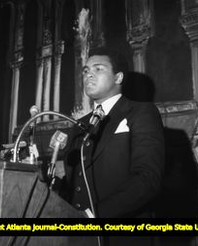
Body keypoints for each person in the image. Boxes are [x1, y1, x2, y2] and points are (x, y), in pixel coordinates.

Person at [63, 46, 165, 245]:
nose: (88, 74)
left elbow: (147, 179)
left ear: (118, 78)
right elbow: (72, 183)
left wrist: (93, 216)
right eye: (85, 70)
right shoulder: (79, 125)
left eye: (98, 69)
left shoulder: (141, 112)